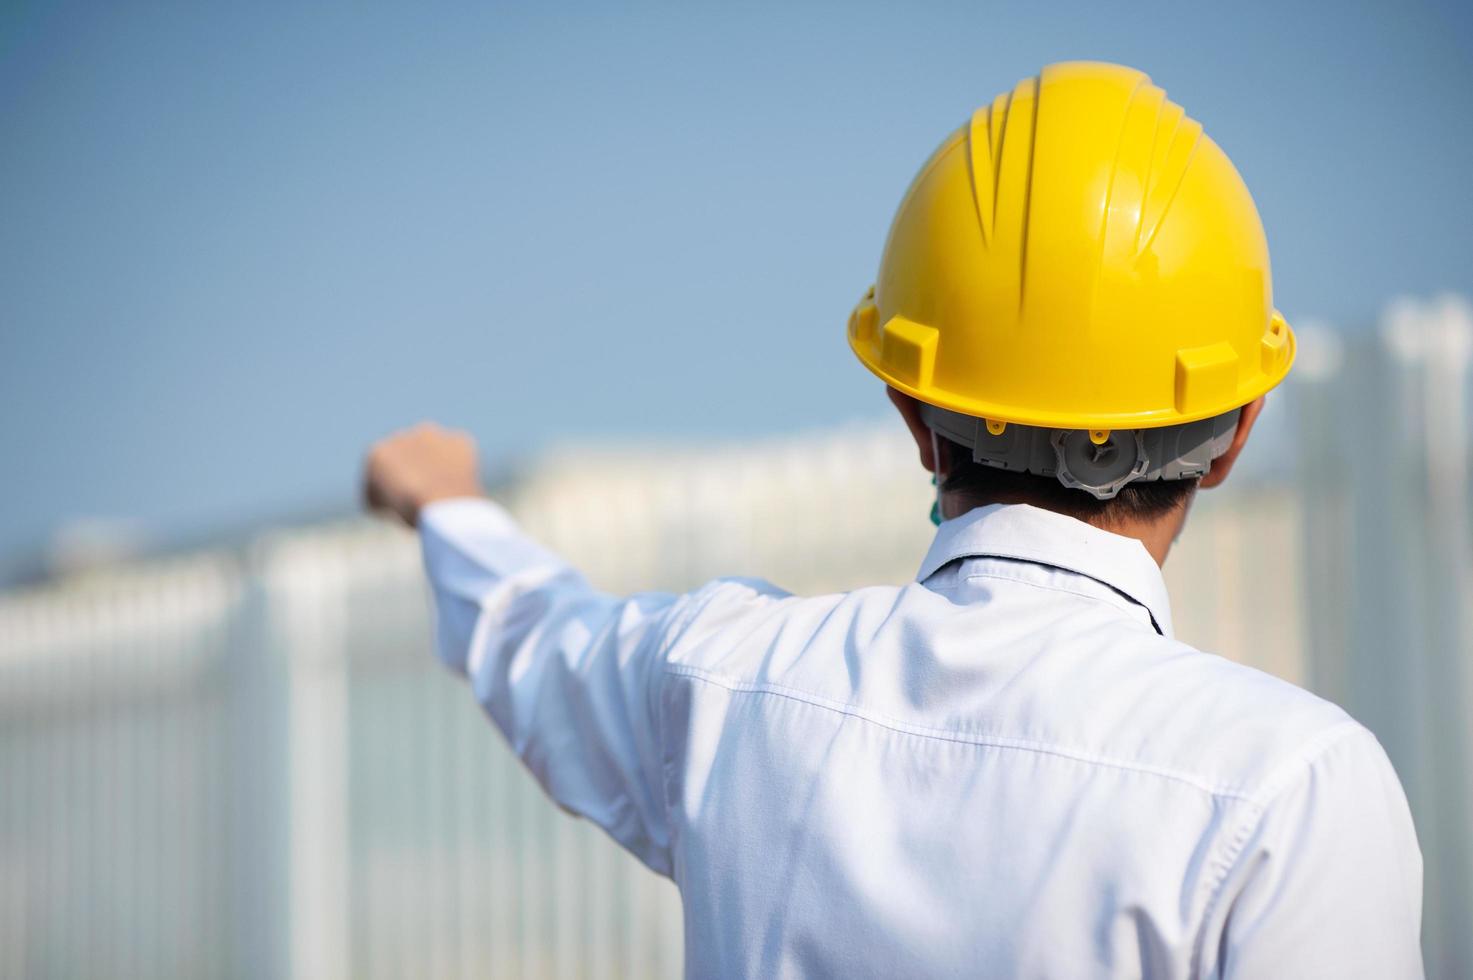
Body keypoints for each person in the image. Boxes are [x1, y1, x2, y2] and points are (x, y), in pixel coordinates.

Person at [364, 62, 1423, 978]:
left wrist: (444, 501)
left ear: (914, 416)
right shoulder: (1294, 791)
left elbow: (535, 633)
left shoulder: (726, 683)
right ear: (1236, 433)